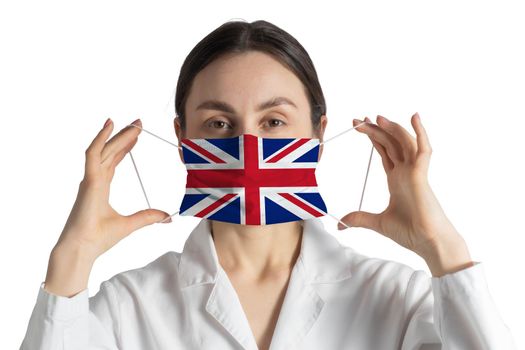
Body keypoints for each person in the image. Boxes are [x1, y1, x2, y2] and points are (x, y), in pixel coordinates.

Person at [20, 20, 516, 350]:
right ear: (181, 137)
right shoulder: (127, 307)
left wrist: (442, 248)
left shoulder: (398, 299)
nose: (248, 146)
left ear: (319, 134)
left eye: (274, 121)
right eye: (218, 123)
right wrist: (72, 257)